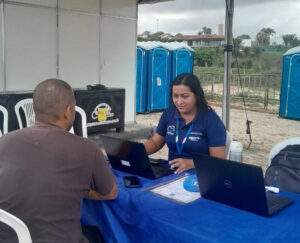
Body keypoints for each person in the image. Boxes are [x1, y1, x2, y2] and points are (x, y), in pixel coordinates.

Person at [0, 79, 118, 243]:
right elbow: (110, 193)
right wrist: (83, 189)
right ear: (68, 111)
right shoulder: (87, 149)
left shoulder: (3, 142)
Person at [144, 73, 226, 174]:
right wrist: (137, 153)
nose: (179, 101)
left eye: (184, 96)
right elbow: (156, 143)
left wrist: (192, 164)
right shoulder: (168, 114)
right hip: (172, 173)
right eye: (175, 96)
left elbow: (219, 162)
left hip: (201, 175)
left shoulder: (211, 120)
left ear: (196, 95)